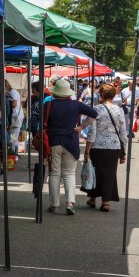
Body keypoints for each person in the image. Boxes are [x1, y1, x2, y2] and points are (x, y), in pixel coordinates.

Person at [45, 78, 98, 215]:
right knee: (69, 174)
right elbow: (94, 114)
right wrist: (81, 127)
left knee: (54, 174)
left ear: (55, 92)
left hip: (53, 142)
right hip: (71, 142)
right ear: (68, 93)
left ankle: (54, 205)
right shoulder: (76, 104)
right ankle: (69, 203)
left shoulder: (48, 105)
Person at [80, 84, 128, 212]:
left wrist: (87, 150)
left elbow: (92, 132)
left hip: (98, 146)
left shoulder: (97, 109)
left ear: (101, 95)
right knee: (110, 173)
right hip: (114, 146)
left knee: (95, 172)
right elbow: (123, 132)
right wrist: (124, 152)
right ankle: (106, 202)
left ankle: (92, 198)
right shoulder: (119, 110)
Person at [6, 80, 24, 157]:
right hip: (14, 118)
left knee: (13, 137)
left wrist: (6, 103)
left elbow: (14, 104)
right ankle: (14, 155)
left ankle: (14, 155)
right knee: (13, 137)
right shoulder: (11, 92)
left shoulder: (13, 92)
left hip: (15, 118)